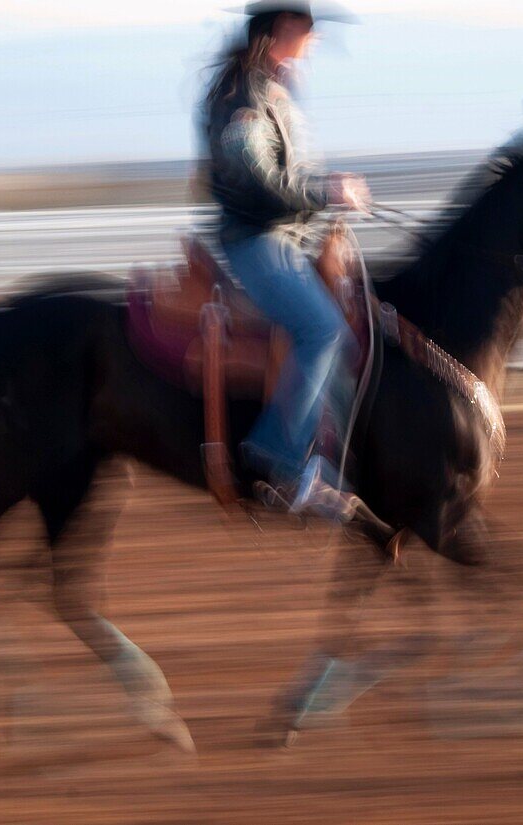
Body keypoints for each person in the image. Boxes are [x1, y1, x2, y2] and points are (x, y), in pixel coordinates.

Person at [202, 1, 371, 518]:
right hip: (257, 242)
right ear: (283, 30)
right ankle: (276, 451)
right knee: (322, 331)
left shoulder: (272, 89)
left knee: (352, 334)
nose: (315, 40)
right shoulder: (243, 98)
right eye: (309, 30)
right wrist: (328, 192)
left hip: (285, 239)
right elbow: (258, 181)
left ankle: (331, 468)